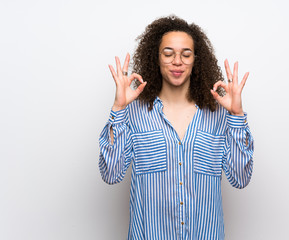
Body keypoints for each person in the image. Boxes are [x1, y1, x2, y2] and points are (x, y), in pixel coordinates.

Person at [99, 15, 254, 239]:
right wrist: (118, 109)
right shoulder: (133, 113)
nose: (177, 61)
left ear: (196, 60)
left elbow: (240, 178)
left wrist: (237, 115)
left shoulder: (219, 115)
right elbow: (110, 174)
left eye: (186, 54)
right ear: (156, 58)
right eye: (168, 53)